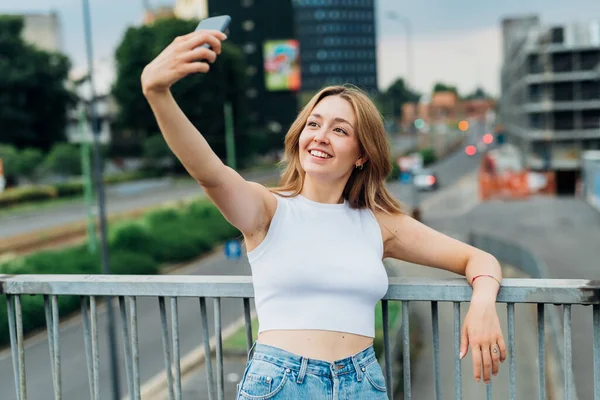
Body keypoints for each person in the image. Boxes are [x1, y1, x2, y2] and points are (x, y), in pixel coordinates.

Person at [142, 29, 506, 400]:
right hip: (282, 383)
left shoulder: (379, 224)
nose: (319, 136)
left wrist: (482, 304)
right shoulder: (268, 210)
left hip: (363, 384)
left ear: (362, 153)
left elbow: (478, 259)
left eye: (340, 130)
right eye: (313, 124)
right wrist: (157, 93)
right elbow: (209, 172)